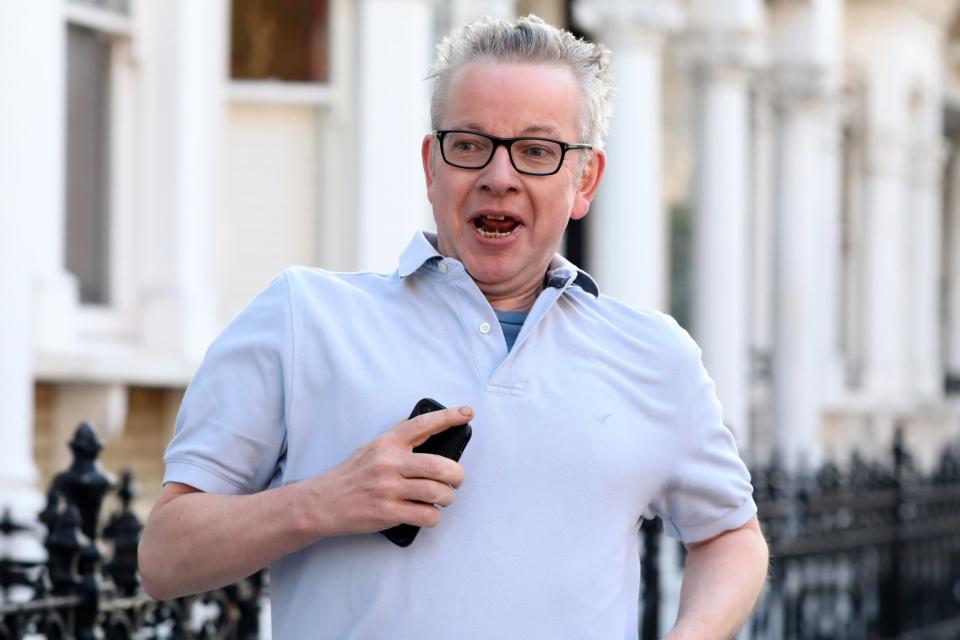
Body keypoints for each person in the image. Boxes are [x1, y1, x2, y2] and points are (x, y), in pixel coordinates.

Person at [139, 14, 768, 639]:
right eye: (469, 144)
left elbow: (731, 534)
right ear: (432, 164)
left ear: (586, 180)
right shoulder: (303, 318)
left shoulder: (655, 354)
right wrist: (322, 501)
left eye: (536, 151)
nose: (500, 176)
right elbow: (163, 559)